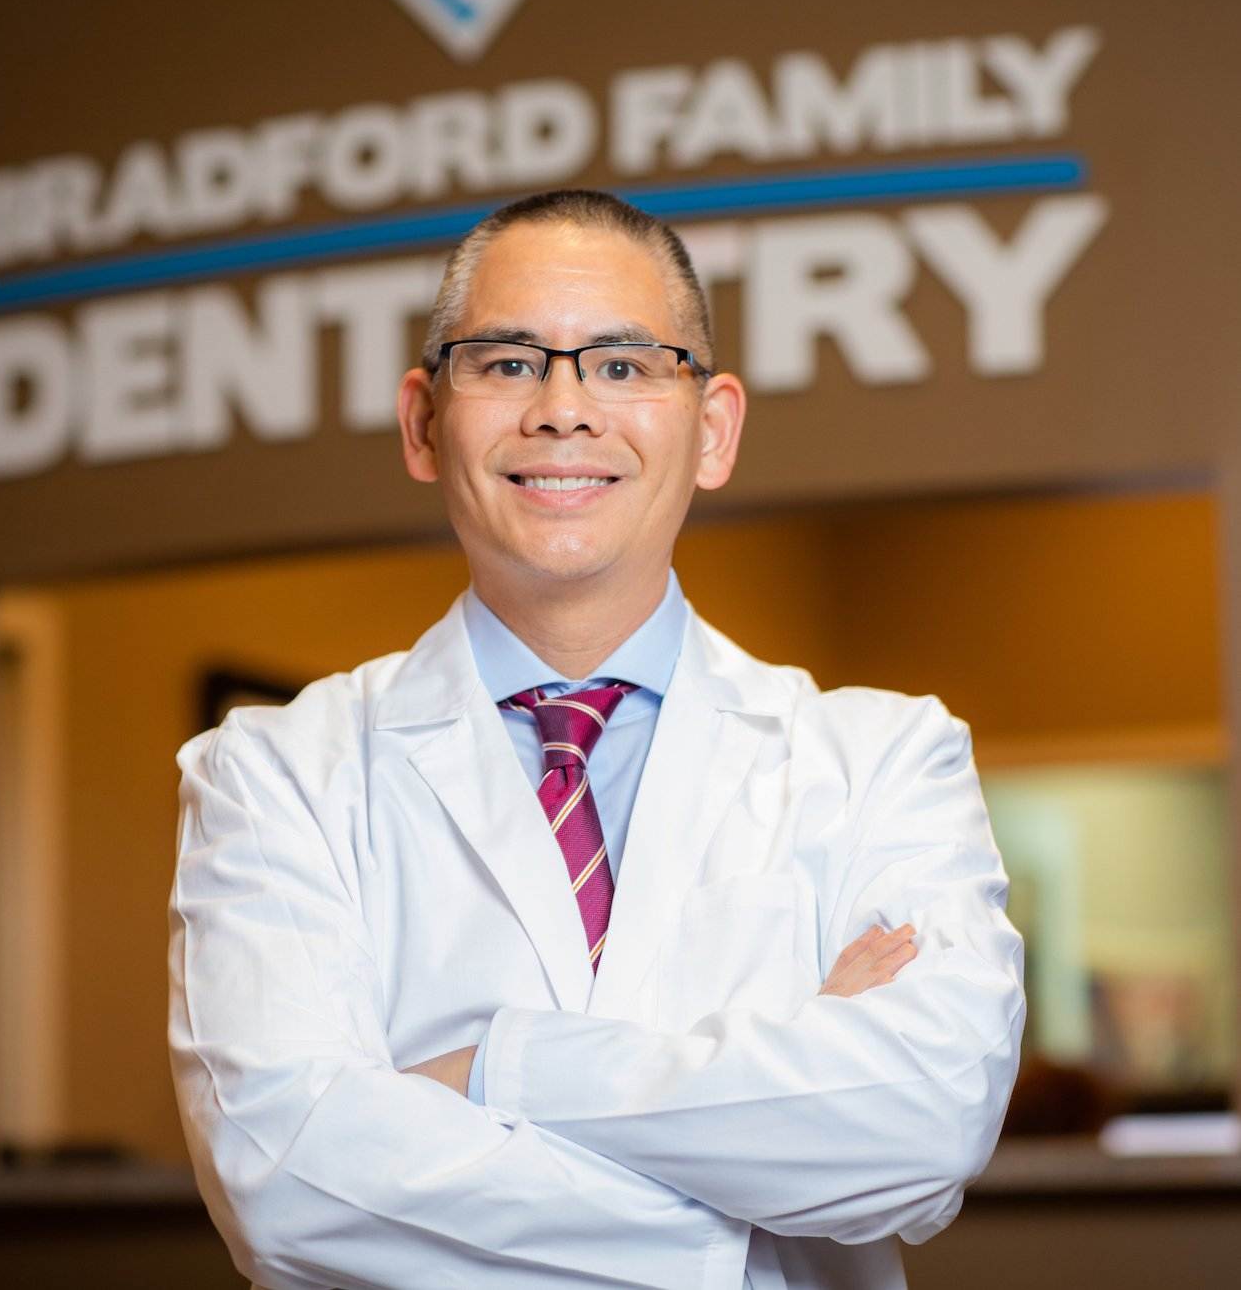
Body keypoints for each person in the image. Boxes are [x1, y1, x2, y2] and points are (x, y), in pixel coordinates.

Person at [168, 189, 1025, 1290]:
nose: (564, 409)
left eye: (623, 365)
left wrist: (491, 1070)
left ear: (712, 430)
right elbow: (285, 1178)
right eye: (508, 362)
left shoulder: (885, 760)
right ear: (424, 423)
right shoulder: (273, 775)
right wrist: (745, 1211)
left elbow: (920, 1122)